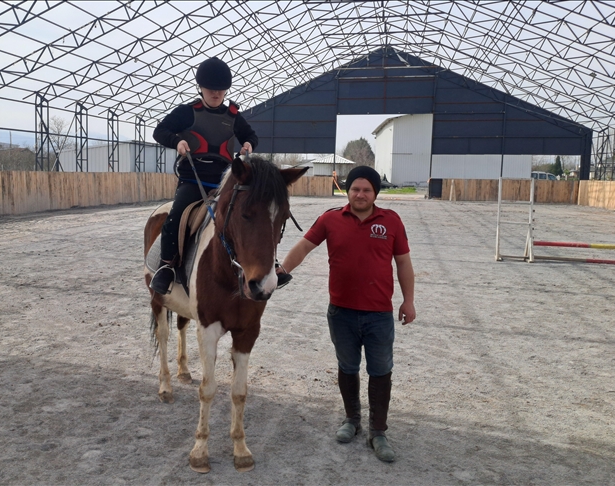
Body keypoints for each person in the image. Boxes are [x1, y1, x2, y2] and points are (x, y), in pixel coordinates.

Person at [278, 165, 416, 462]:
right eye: (355, 189)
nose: (360, 194)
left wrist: (409, 301)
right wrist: (282, 270)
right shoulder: (331, 219)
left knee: (381, 370)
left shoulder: (391, 221)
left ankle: (378, 431)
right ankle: (352, 420)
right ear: (347, 190)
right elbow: (303, 247)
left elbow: (403, 263)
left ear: (375, 193)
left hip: (379, 314)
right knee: (348, 366)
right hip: (341, 312)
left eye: (367, 189)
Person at [150, 57, 258, 295]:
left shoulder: (233, 116)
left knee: (253, 213)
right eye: (211, 89)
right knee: (176, 215)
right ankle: (166, 266)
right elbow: (159, 131)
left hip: (225, 181)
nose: (217, 93)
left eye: (221, 89)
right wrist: (177, 141)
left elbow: (251, 136)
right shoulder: (186, 113)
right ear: (201, 88)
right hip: (193, 179)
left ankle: (260, 264)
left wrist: (248, 144)